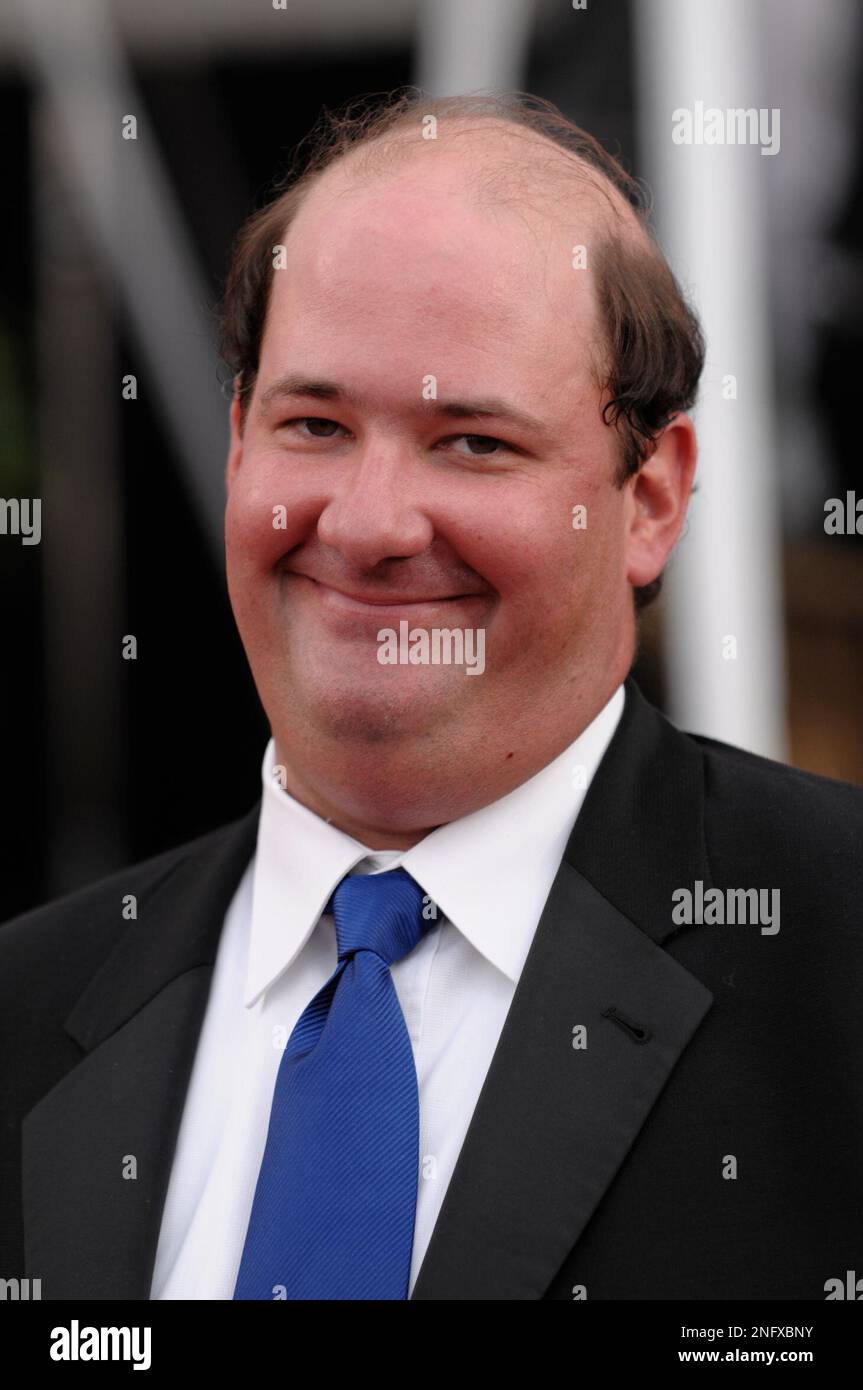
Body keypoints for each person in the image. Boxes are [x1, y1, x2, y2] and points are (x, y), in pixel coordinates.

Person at [1, 91, 861, 1302]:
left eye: (471, 442)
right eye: (313, 423)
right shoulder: (24, 1014)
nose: (366, 525)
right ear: (239, 440)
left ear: (650, 496)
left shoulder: (833, 961)